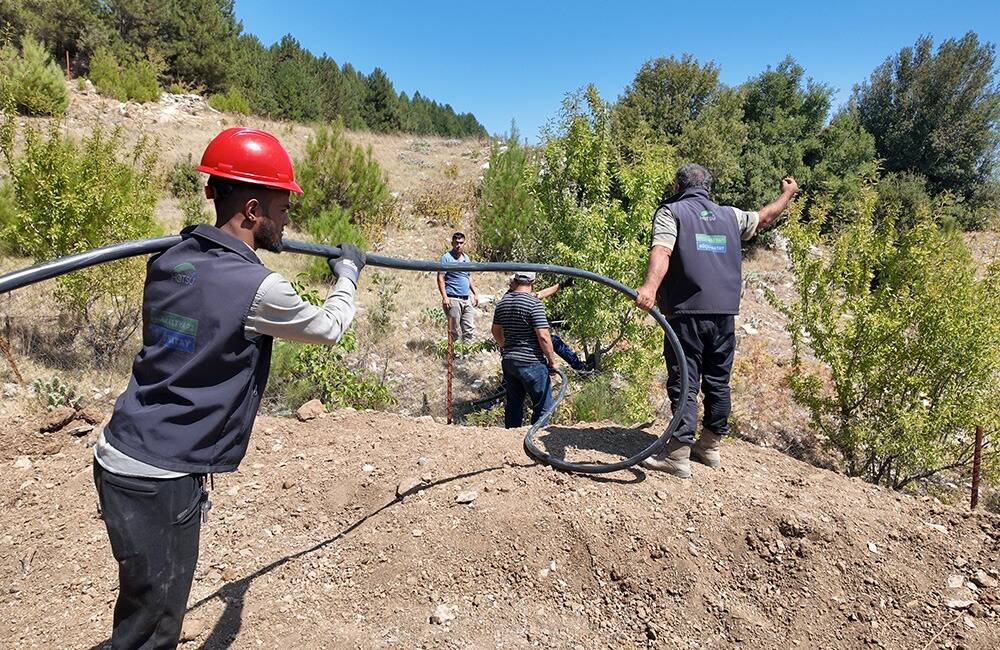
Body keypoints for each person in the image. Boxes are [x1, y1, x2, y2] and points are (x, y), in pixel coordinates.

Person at [92, 127, 367, 649]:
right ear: (253, 211)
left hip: (123, 454)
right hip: (159, 477)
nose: (289, 222)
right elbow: (329, 328)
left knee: (142, 607)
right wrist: (348, 273)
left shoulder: (170, 260)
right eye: (284, 209)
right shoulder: (258, 288)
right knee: (152, 630)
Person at [634, 163, 798, 478]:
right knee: (717, 381)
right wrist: (787, 194)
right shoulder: (731, 215)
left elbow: (662, 252)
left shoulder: (671, 212)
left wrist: (649, 289)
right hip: (724, 315)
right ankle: (709, 446)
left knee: (685, 379)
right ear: (709, 189)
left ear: (677, 186)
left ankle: (678, 454)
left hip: (686, 314)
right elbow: (764, 217)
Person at [491, 271, 559, 428]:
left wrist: (506, 347)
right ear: (533, 281)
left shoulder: (503, 302)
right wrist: (552, 362)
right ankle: (535, 440)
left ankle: (511, 439)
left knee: (513, 403)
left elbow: (495, 330)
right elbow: (543, 336)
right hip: (531, 362)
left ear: (515, 280)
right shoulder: (534, 304)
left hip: (509, 362)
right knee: (543, 405)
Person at [533, 277, 592, 373]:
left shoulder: (512, 297)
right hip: (526, 342)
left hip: (514, 345)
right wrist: (552, 362)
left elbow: (541, 293)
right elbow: (543, 337)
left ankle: (580, 367)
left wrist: (562, 285)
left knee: (553, 340)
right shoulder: (526, 298)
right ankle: (581, 368)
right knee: (554, 341)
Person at [437, 232, 479, 345]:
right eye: (456, 243)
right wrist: (445, 297)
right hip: (453, 299)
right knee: (453, 330)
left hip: (466, 299)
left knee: (468, 329)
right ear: (452, 243)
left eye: (461, 243)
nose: (459, 245)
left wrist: (475, 293)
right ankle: (453, 357)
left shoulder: (466, 258)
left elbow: (468, 276)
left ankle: (467, 355)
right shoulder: (446, 258)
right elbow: (440, 278)